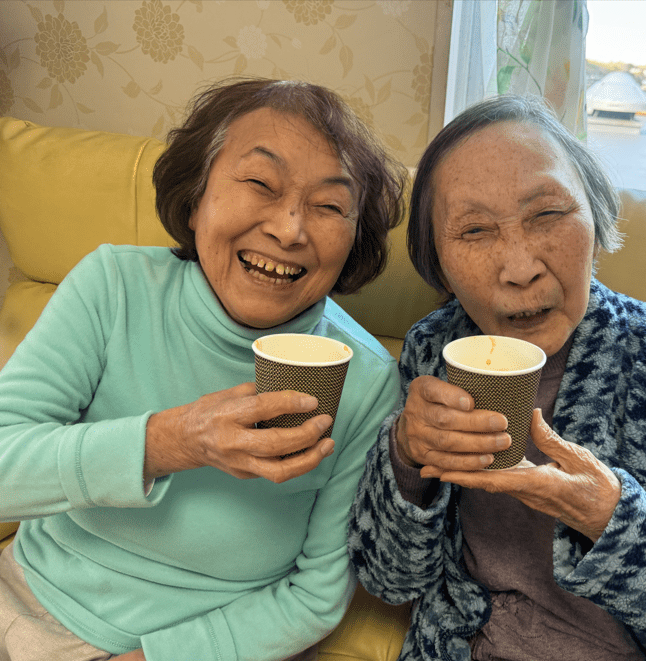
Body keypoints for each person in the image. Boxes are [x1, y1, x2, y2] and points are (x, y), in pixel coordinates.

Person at [348, 94, 646, 661]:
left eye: (547, 215)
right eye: (474, 231)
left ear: (596, 224)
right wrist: (405, 458)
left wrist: (613, 523)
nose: (520, 268)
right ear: (438, 265)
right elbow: (389, 579)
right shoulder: (435, 349)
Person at [0, 78, 406, 661]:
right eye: (260, 184)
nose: (289, 229)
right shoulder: (112, 287)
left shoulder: (366, 381)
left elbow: (315, 597)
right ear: (195, 198)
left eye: (329, 207)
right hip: (29, 599)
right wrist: (170, 442)